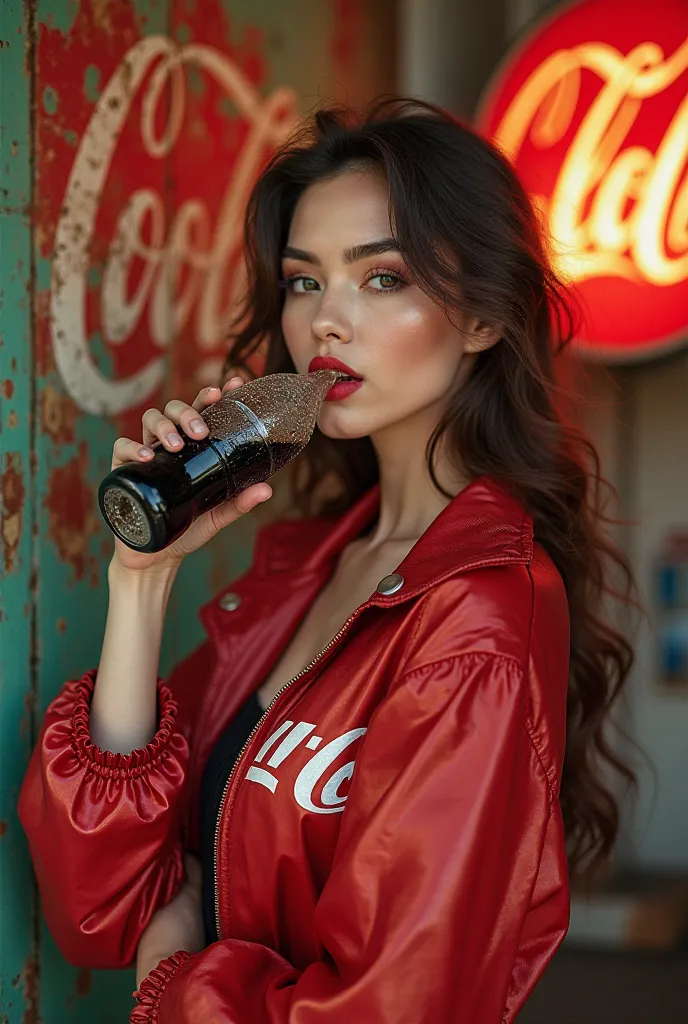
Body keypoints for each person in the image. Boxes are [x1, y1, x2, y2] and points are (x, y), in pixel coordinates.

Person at [19, 98, 636, 1023]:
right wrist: (140, 581)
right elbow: (103, 904)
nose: (326, 323)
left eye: (382, 279)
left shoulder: (480, 617)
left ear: (481, 318)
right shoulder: (308, 564)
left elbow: (392, 1004)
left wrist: (173, 982)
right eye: (304, 282)